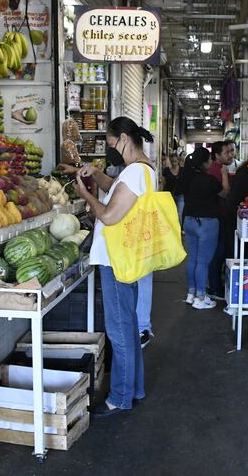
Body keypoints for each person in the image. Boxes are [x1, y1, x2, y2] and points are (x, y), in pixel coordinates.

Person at [70, 116, 156, 417]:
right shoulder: (143, 169)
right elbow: (117, 189)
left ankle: (119, 397)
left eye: (111, 144)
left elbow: (108, 215)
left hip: (116, 261)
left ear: (122, 138)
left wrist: (85, 195)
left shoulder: (134, 173)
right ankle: (134, 389)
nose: (112, 150)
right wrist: (96, 174)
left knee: (119, 332)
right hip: (127, 258)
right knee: (129, 328)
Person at [177, 147, 227, 310]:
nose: (212, 162)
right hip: (207, 224)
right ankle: (201, 297)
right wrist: (225, 175)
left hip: (189, 222)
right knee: (203, 262)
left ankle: (191, 294)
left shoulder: (187, 179)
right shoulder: (210, 180)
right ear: (205, 163)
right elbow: (225, 193)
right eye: (210, 160)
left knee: (193, 259)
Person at [206, 140, 235, 300]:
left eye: (231, 151)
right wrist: (225, 176)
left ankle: (216, 285)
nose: (230, 155)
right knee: (218, 253)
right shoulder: (216, 171)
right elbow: (224, 192)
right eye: (227, 152)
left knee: (221, 251)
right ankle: (214, 287)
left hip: (221, 216)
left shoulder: (221, 169)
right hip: (217, 217)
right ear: (217, 155)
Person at [161, 154, 183, 225]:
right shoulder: (166, 170)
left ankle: (179, 229)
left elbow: (185, 182)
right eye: (172, 161)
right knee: (169, 214)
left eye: (175, 161)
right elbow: (163, 183)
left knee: (179, 214)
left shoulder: (182, 170)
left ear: (178, 161)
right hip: (168, 195)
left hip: (180, 195)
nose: (173, 163)